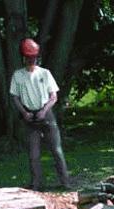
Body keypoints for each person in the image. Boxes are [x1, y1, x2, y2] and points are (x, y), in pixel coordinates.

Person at [9, 38, 70, 191]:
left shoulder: (45, 73)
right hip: (29, 116)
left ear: (37, 57)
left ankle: (65, 183)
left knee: (56, 150)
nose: (31, 60)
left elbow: (54, 96)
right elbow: (15, 97)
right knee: (33, 154)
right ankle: (36, 184)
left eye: (33, 58)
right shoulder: (18, 75)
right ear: (24, 58)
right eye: (28, 58)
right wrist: (24, 112)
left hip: (46, 114)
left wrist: (44, 111)